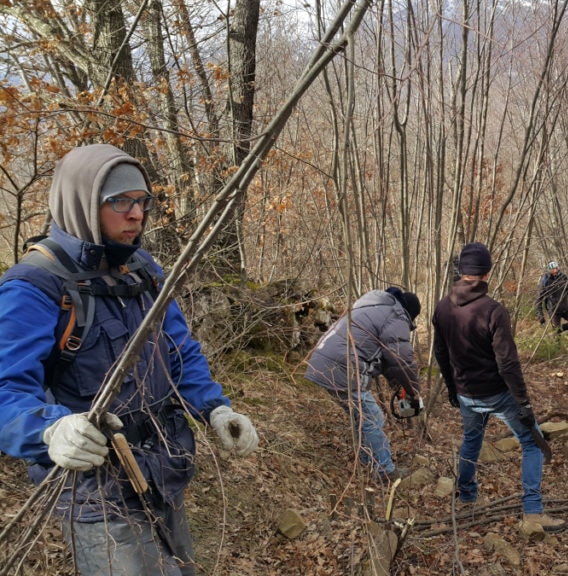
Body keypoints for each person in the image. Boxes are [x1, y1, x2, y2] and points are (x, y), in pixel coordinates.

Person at [0, 144, 259, 576]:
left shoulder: (143, 269)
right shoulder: (34, 286)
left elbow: (178, 349)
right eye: (120, 201)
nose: (136, 214)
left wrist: (215, 408)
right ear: (83, 203)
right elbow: (6, 390)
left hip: (162, 471)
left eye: (143, 201)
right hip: (95, 492)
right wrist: (49, 430)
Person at [433, 242, 567, 533]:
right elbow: (507, 363)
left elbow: (441, 353)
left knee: (471, 440)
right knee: (532, 442)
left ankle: (467, 496)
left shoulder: (442, 308)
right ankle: (533, 512)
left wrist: (452, 388)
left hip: (466, 393)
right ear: (486, 273)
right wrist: (524, 402)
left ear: (462, 272)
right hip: (497, 393)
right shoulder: (493, 310)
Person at [304, 286, 422, 482]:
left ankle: (367, 461)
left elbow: (387, 361)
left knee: (362, 418)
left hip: (323, 361)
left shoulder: (372, 305)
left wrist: (399, 387)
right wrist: (412, 391)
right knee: (373, 418)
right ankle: (384, 470)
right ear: (410, 314)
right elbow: (401, 360)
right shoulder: (396, 317)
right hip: (342, 366)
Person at [536, 260, 568, 332]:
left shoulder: (563, 277)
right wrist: (540, 316)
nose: (555, 271)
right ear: (549, 270)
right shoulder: (544, 281)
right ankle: (557, 332)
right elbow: (539, 300)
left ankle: (560, 329)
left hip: (565, 307)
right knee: (556, 331)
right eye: (552, 269)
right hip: (553, 311)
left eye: (556, 268)